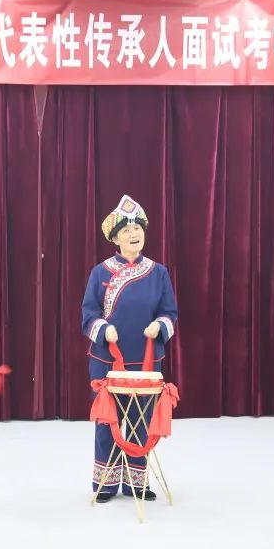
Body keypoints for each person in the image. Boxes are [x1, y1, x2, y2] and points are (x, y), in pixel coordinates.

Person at [81, 195, 178, 502]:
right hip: (107, 361)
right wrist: (103, 329)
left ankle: (136, 483)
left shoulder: (158, 272)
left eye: (138, 228)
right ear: (115, 238)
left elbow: (170, 313)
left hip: (146, 362)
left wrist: (159, 325)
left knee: (141, 422)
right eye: (126, 230)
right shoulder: (100, 272)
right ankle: (105, 484)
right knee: (107, 421)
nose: (134, 234)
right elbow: (88, 316)